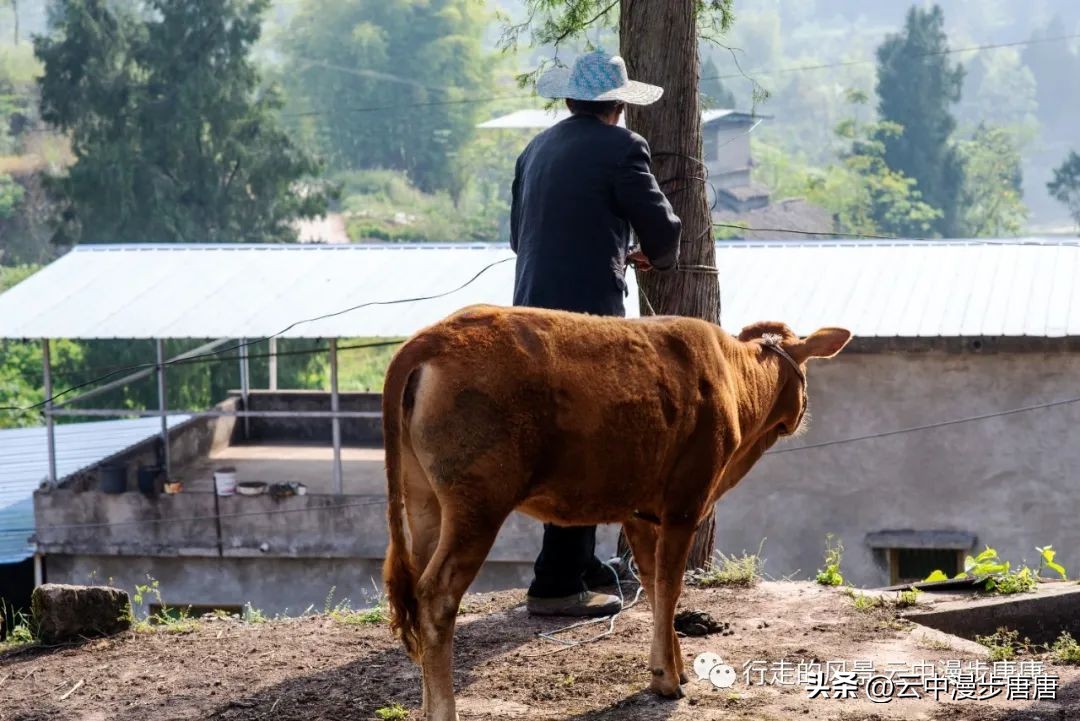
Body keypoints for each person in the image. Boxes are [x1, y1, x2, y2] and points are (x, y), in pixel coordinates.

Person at [510, 50, 683, 617]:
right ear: (616, 105)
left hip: (529, 321)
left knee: (558, 437)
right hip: (588, 323)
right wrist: (654, 255)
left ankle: (582, 565)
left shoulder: (535, 150)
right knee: (587, 440)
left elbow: (519, 240)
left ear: (568, 100)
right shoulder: (622, 147)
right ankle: (556, 584)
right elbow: (662, 228)